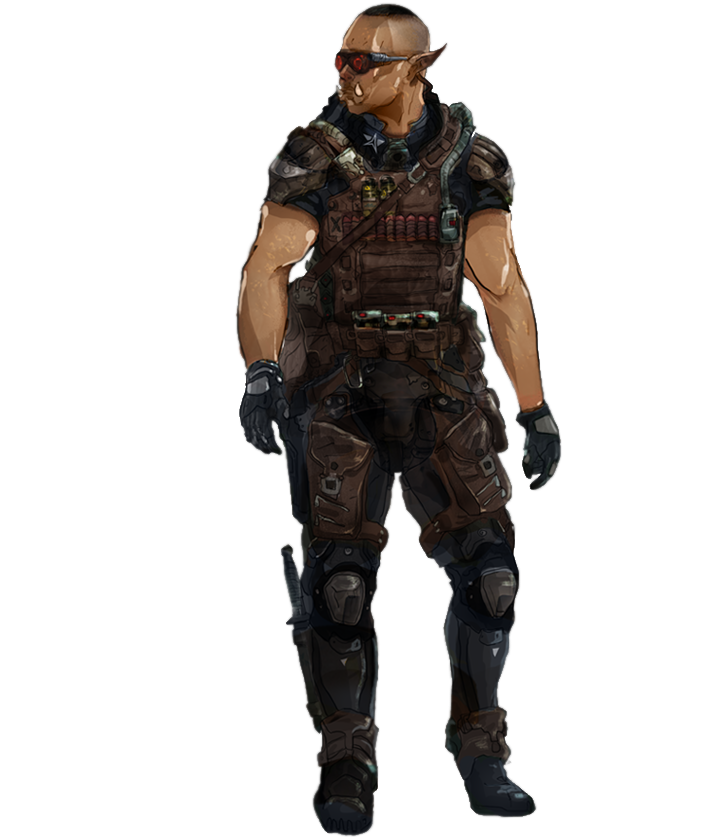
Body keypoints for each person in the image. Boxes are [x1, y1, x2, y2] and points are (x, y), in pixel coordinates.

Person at [237, 4, 560, 833]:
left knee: (491, 576)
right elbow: (267, 265)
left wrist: (533, 407)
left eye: (364, 62)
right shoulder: (314, 154)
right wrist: (262, 372)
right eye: (340, 59)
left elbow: (501, 286)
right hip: (339, 386)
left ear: (415, 69)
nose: (344, 74)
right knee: (339, 584)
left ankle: (481, 750)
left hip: (443, 385)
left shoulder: (470, 159)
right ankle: (346, 758)